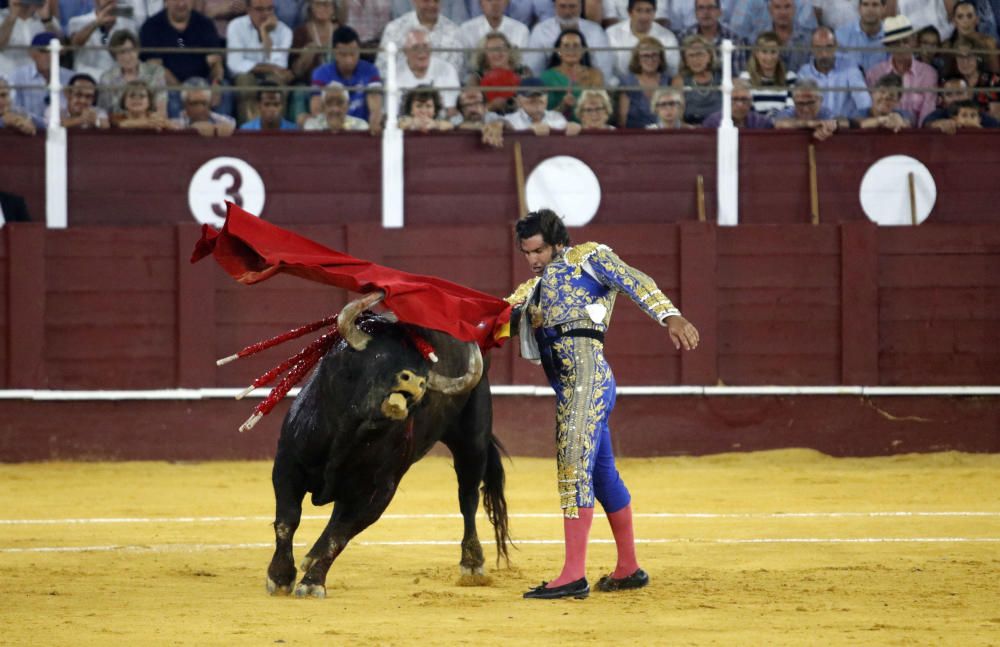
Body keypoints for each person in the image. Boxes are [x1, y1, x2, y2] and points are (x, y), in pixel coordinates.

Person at [506, 209, 699, 600]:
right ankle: (628, 568)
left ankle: (573, 575)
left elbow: (634, 280)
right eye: (527, 253)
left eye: (540, 250)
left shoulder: (589, 258)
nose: (534, 259)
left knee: (573, 463)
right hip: (573, 386)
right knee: (601, 475)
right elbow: (491, 317)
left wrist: (670, 316)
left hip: (587, 379)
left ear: (559, 242)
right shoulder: (531, 292)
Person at [139, 0, 226, 116]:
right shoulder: (151, 26)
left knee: (225, 91)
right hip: (170, 85)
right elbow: (155, 66)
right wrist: (182, 90)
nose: (181, 4)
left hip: (202, 83)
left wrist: (216, 83)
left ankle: (221, 131)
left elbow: (215, 62)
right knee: (167, 94)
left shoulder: (205, 24)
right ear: (166, 2)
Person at [226, 0, 294, 124]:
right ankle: (249, 132)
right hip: (245, 75)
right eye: (259, 9)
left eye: (269, 9)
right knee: (245, 83)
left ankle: (277, 134)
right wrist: (271, 68)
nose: (265, 14)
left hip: (271, 76)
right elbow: (235, 64)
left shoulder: (285, 31)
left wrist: (264, 33)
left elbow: (280, 65)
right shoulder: (235, 26)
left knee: (277, 84)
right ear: (248, 9)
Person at [865, 14, 938, 125]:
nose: (901, 46)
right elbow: (871, 110)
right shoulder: (875, 73)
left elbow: (928, 115)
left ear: (913, 42)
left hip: (919, 137)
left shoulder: (928, 73)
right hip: (883, 133)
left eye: (905, 41)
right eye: (895, 43)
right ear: (888, 46)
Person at [309, 25, 383, 128]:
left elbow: (375, 108)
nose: (349, 60)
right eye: (344, 55)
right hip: (330, 127)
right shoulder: (321, 73)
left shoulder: (371, 71)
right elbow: (316, 110)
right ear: (334, 53)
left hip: (361, 128)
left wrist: (373, 126)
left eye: (353, 54)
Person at [523, 0, 613, 80]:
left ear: (581, 6)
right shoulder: (541, 30)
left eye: (572, 6)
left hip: (587, 86)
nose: (567, 12)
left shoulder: (595, 31)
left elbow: (604, 69)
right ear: (554, 6)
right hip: (551, 87)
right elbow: (533, 70)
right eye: (562, 6)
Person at [795, 26, 870, 118]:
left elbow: (864, 104)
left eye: (828, 47)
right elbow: (801, 109)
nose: (824, 54)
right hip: (817, 128)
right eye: (818, 48)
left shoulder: (850, 68)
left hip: (846, 128)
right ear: (812, 49)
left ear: (836, 46)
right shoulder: (804, 74)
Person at [377, 0, 465, 77]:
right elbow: (383, 69)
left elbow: (455, 73)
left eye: (436, 0)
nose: (432, 5)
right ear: (414, 1)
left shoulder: (454, 33)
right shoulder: (394, 29)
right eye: (426, 0)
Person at [99, 30, 168, 118]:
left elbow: (161, 111)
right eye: (122, 52)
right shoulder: (107, 78)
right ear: (114, 56)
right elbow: (103, 113)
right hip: (119, 127)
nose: (127, 57)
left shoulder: (155, 72)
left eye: (130, 50)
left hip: (151, 126)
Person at [605, 0, 680, 81]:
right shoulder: (611, 34)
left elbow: (673, 71)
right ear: (629, 13)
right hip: (620, 87)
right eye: (639, 10)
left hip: (658, 87)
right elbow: (608, 69)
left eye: (648, 11)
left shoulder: (667, 37)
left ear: (654, 13)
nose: (644, 16)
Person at [395, 26, 461, 117]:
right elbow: (393, 112)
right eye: (415, 47)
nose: (422, 51)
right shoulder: (394, 73)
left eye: (425, 46)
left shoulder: (447, 70)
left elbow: (451, 110)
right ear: (405, 51)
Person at [539, 28, 604, 119]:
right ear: (559, 51)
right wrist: (563, 106)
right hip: (558, 129)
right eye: (566, 46)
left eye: (576, 46)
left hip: (589, 127)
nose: (571, 50)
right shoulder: (546, 77)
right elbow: (543, 116)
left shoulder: (595, 75)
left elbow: (603, 109)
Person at [9, 32, 73, 124]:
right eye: (44, 51)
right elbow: (13, 109)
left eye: (53, 51)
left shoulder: (71, 77)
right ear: (32, 53)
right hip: (28, 130)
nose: (50, 56)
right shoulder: (18, 77)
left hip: (64, 129)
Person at [67, 0, 138, 81]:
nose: (111, 3)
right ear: (96, 1)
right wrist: (97, 23)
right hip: (88, 81)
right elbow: (74, 45)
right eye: (107, 2)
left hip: (116, 81)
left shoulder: (128, 23)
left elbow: (134, 51)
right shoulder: (77, 22)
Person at [459, 0, 530, 72]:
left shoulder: (521, 30)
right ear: (480, 3)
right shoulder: (466, 29)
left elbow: (522, 64)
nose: (495, 4)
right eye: (489, 0)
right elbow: (464, 66)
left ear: (507, 2)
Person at [469, 31, 530, 113]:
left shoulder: (524, 72)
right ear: (484, 55)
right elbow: (471, 110)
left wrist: (523, 104)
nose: (497, 53)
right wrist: (491, 106)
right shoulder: (476, 78)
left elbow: (535, 101)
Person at [679, 0, 748, 73]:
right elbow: (681, 72)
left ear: (719, 12)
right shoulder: (683, 37)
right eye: (701, 8)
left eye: (711, 7)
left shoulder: (734, 39)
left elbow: (738, 74)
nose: (706, 12)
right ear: (695, 13)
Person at [616, 35, 671, 127]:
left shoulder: (668, 81)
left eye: (654, 55)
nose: (650, 60)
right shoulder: (627, 82)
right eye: (645, 56)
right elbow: (622, 119)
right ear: (638, 59)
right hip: (634, 135)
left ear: (660, 59)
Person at [739, 30, 796, 116]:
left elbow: (790, 110)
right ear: (757, 53)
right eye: (764, 52)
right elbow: (747, 111)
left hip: (782, 127)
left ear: (779, 53)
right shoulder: (745, 78)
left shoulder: (790, 78)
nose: (769, 57)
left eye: (773, 52)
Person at [0, 0, 60, 79]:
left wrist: (46, 20)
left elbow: (62, 50)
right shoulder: (1, 16)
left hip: (38, 81)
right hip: (6, 79)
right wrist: (12, 16)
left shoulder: (47, 19)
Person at [502, 75, 582, 133]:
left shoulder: (557, 118)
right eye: (529, 95)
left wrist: (574, 128)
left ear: (546, 98)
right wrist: (529, 132)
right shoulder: (510, 120)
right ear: (518, 100)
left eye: (539, 95)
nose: (536, 99)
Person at [670, 33, 720, 124]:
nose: (696, 60)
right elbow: (676, 117)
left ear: (709, 56)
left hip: (719, 129)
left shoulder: (722, 78)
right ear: (685, 61)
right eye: (691, 56)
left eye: (699, 54)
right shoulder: (679, 81)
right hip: (691, 131)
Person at [946, 36, 1000, 119]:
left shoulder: (993, 80)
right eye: (960, 57)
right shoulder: (949, 82)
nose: (965, 62)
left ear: (978, 58)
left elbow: (996, 116)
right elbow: (943, 112)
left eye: (970, 56)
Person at [773, 77, 845, 138]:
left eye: (810, 103)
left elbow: (840, 121)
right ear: (794, 101)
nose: (806, 109)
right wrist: (810, 124)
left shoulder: (825, 112)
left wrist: (834, 124)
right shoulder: (788, 113)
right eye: (800, 103)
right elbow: (779, 123)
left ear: (820, 100)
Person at [922, 74, 1000, 131]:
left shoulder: (980, 115)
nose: (955, 98)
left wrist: (978, 128)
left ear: (969, 95)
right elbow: (926, 124)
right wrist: (937, 124)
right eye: (949, 95)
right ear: (943, 99)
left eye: (959, 93)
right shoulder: (940, 113)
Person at [946, 1, 1000, 73]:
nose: (965, 21)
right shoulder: (948, 45)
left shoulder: (988, 43)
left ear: (977, 20)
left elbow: (996, 74)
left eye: (969, 16)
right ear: (954, 21)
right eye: (960, 17)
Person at [171, 76, 236, 134]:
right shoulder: (174, 124)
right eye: (194, 103)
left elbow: (232, 123)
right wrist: (192, 129)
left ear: (209, 103)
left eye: (204, 103)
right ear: (184, 104)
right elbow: (174, 126)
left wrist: (216, 129)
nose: (200, 108)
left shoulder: (223, 121)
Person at [834, 0, 886, 73]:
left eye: (875, 5)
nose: (870, 9)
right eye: (865, 4)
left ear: (883, 8)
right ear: (859, 8)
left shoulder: (891, 35)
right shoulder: (841, 35)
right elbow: (837, 69)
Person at [701, 77, 774, 126]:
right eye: (735, 99)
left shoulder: (762, 123)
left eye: (744, 99)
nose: (740, 105)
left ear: (751, 101)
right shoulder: (712, 123)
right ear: (725, 101)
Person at [302, 79, 370, 130]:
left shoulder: (360, 126)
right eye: (329, 103)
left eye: (340, 103)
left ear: (348, 106)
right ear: (323, 107)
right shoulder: (312, 126)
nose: (335, 109)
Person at [112, 78, 178, 129]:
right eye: (132, 95)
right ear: (124, 100)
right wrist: (148, 123)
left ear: (149, 101)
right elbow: (123, 124)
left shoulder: (157, 119)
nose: (136, 99)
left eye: (142, 96)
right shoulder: (114, 118)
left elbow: (175, 127)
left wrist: (167, 124)